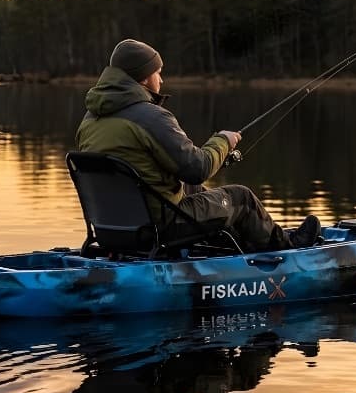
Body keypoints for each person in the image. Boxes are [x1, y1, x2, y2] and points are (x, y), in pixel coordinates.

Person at [76, 38, 319, 251]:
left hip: (111, 230)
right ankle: (288, 247)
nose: (161, 79)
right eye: (158, 72)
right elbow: (197, 168)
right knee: (241, 198)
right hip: (158, 229)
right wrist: (223, 141)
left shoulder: (89, 120)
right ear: (144, 76)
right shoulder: (150, 117)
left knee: (194, 189)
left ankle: (240, 242)